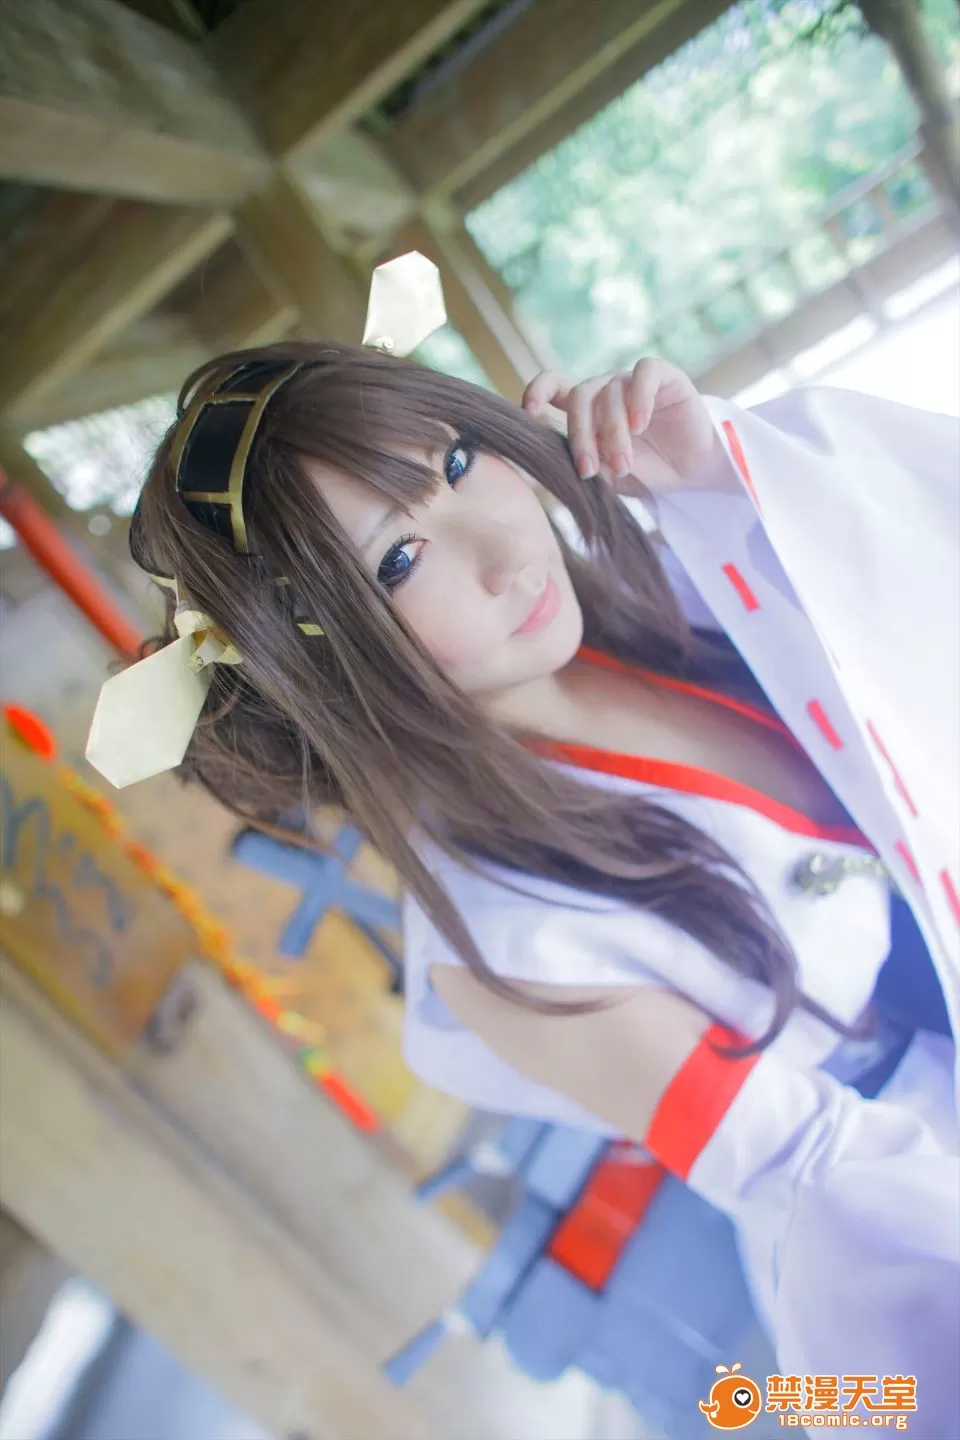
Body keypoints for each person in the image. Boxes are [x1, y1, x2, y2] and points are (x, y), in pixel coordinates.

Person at [89, 336, 959, 1433]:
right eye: (400, 560)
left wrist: (719, 476)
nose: (504, 550)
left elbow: (910, 613)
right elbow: (821, 1183)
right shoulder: (510, 945)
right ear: (324, 656)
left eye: (458, 462)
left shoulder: (659, 585)